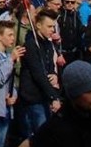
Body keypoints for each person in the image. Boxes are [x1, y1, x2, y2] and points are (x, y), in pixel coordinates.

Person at [18, 9, 61, 139]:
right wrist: (54, 97)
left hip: (44, 95)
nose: (52, 30)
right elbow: (38, 73)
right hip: (33, 96)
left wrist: (54, 74)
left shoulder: (48, 43)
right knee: (40, 134)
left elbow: (50, 65)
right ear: (38, 25)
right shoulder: (31, 44)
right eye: (49, 26)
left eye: (53, 26)